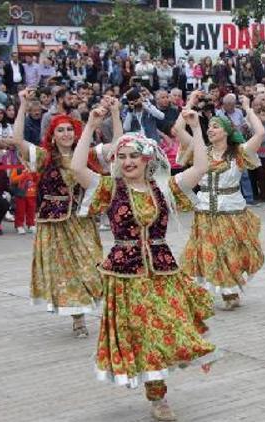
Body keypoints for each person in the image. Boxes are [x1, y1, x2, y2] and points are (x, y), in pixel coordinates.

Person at [72, 107, 219, 422]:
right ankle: (158, 397)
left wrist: (196, 128)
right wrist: (90, 125)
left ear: (147, 160)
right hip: (126, 275)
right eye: (122, 156)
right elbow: (77, 169)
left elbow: (202, 168)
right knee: (141, 334)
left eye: (134, 156)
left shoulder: (163, 189)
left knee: (167, 328)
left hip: (163, 272)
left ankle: (159, 391)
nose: (127, 161)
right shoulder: (110, 189)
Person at [9, 88, 115, 336]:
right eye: (61, 130)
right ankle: (78, 319)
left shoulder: (87, 155)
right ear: (53, 136)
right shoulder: (44, 157)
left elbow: (118, 145)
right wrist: (23, 104)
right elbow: (17, 140)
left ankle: (102, 306)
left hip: (82, 220)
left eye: (69, 129)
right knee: (66, 271)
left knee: (92, 265)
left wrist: (115, 113)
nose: (66, 133)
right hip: (54, 224)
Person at [173, 92, 265, 310]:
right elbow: (178, 130)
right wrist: (189, 104)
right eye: (210, 126)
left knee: (229, 249)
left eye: (216, 126)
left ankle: (230, 289)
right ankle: (205, 291)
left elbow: (260, 132)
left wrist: (247, 107)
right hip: (205, 210)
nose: (210, 129)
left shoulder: (239, 153)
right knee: (205, 250)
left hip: (231, 210)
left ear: (226, 131)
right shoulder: (201, 152)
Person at [10, 162, 37, 234]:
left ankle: (31, 224)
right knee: (20, 210)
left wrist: (35, 174)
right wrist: (23, 175)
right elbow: (13, 180)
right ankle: (19, 225)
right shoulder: (18, 168)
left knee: (31, 210)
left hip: (32, 193)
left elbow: (37, 179)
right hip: (21, 193)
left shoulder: (34, 167)